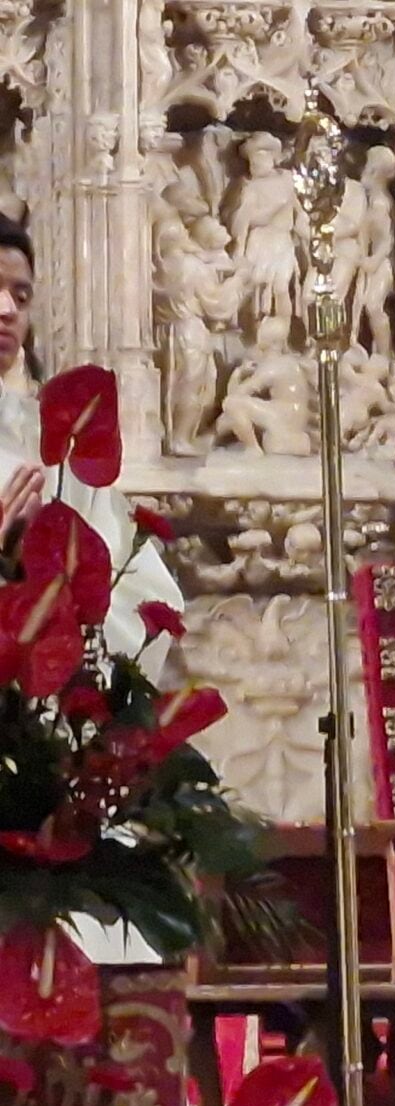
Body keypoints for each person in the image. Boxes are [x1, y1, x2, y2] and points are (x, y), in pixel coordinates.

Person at [0, 215, 188, 966]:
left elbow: (137, 592)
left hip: (45, 749)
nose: (6, 310)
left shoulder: (58, 443)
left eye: (20, 294)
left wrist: (68, 596)